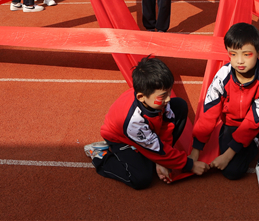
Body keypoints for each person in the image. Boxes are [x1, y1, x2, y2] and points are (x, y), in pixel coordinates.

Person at [192, 22, 259, 194]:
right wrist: (195, 151)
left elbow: (253, 121)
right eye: (233, 54)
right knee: (232, 172)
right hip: (233, 124)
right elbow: (209, 113)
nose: (239, 61)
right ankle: (251, 143)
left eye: (246, 54)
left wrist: (227, 155)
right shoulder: (222, 76)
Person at [86, 56, 209, 189]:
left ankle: (156, 155)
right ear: (141, 97)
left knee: (179, 105)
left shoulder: (159, 101)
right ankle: (101, 156)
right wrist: (190, 164)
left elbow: (167, 127)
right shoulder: (134, 122)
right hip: (120, 139)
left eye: (169, 92)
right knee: (141, 179)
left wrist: (161, 161)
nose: (168, 99)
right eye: (163, 95)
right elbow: (157, 148)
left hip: (147, 130)